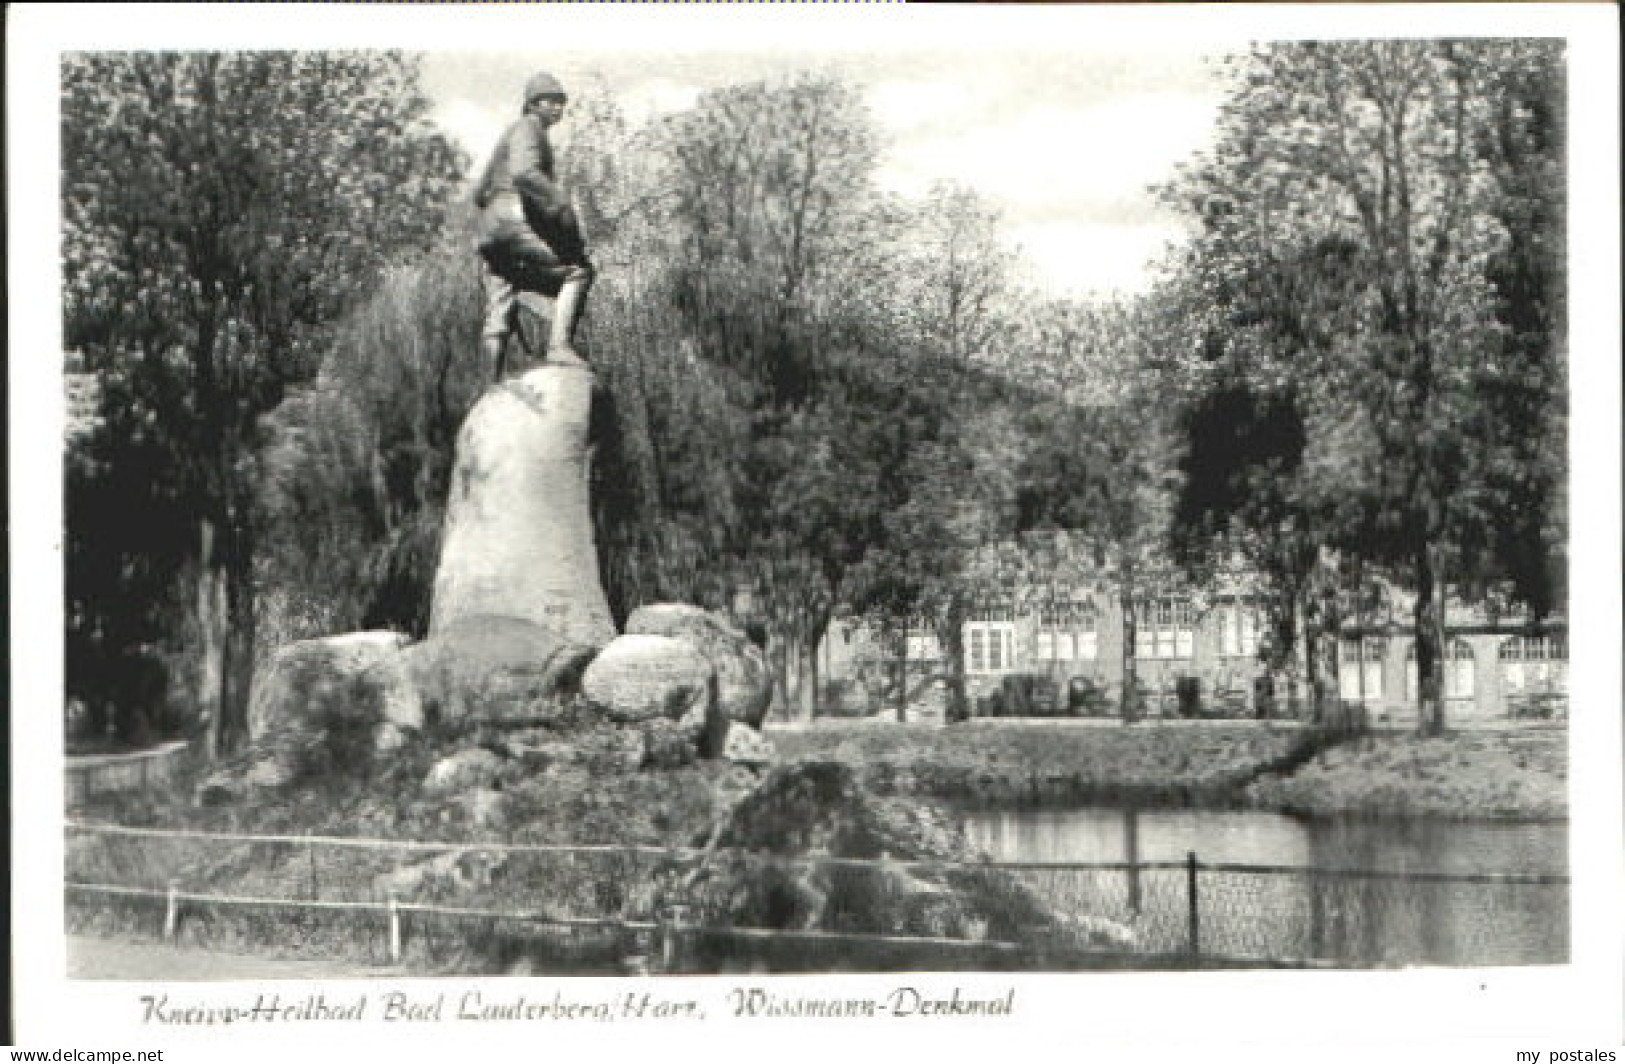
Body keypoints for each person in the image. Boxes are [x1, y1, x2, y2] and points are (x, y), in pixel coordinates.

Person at [473, 71, 594, 379]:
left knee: (501, 296)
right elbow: (525, 173)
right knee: (578, 271)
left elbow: (478, 192)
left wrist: (493, 224)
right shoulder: (530, 128)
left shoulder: (508, 134)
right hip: (515, 220)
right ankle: (558, 346)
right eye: (551, 101)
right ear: (532, 104)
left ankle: (489, 383)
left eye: (561, 102)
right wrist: (560, 206)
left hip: (490, 231)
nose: (558, 108)